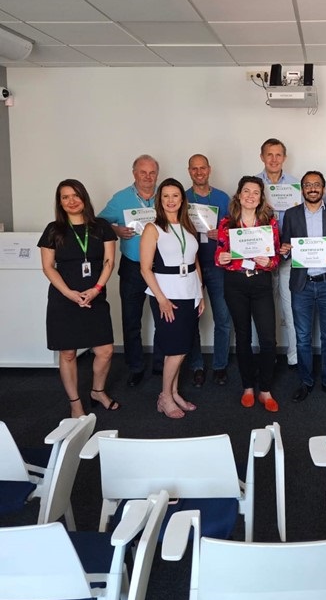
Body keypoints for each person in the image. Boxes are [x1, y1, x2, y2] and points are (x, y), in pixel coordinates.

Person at [38, 179, 118, 418]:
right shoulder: (53, 230)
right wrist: (68, 293)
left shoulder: (101, 226)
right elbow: (48, 267)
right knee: (68, 353)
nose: (71, 201)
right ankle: (75, 403)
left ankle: (97, 391)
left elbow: (109, 261)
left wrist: (96, 289)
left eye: (75, 195)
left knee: (105, 350)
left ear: (84, 198)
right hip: (64, 298)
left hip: (95, 295)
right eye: (65, 197)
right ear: (60, 202)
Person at [281, 171, 326, 403]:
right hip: (302, 285)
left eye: (317, 184)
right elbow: (285, 247)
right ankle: (306, 381)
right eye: (308, 185)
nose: (312, 188)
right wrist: (284, 251)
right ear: (302, 189)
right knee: (302, 337)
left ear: (323, 188)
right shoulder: (291, 215)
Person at [140, 178, 204, 419]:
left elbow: (195, 262)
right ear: (160, 200)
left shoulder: (188, 226)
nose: (170, 200)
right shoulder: (153, 228)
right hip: (166, 294)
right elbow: (145, 268)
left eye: (175, 195)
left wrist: (200, 294)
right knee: (175, 349)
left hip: (189, 292)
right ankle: (165, 397)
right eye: (165, 196)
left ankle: (174, 393)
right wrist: (161, 299)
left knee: (182, 347)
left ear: (182, 199)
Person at [215, 176, 280, 411]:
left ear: (261, 198)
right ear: (239, 195)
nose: (250, 196)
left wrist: (268, 262)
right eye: (246, 191)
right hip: (235, 284)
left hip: (260, 282)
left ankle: (265, 390)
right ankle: (248, 387)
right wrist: (221, 258)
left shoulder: (269, 223)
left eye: (255, 192)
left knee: (268, 338)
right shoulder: (226, 223)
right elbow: (218, 255)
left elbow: (275, 258)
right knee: (243, 336)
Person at [99, 154, 162, 386]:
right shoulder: (121, 198)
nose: (148, 177)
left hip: (160, 267)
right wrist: (116, 230)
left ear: (157, 174)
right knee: (131, 319)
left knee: (164, 317)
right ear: (134, 173)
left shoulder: (165, 195)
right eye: (142, 172)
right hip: (132, 267)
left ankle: (161, 364)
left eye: (152, 172)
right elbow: (99, 222)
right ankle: (135, 367)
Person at [185, 153, 231, 387]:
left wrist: (221, 234)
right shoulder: (182, 197)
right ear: (189, 171)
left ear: (209, 169)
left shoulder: (222, 198)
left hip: (217, 265)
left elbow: (235, 229)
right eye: (194, 168)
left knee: (222, 317)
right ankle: (197, 366)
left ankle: (220, 365)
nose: (199, 172)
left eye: (203, 168)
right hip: (189, 266)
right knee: (191, 318)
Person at [257, 138, 298, 368]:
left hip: (288, 257)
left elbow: (303, 220)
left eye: (278, 154)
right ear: (262, 157)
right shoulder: (253, 185)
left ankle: (294, 356)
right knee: (264, 312)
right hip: (262, 260)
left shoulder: (295, 186)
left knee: (291, 309)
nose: (274, 159)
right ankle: (267, 355)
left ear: (284, 157)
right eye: (269, 154)